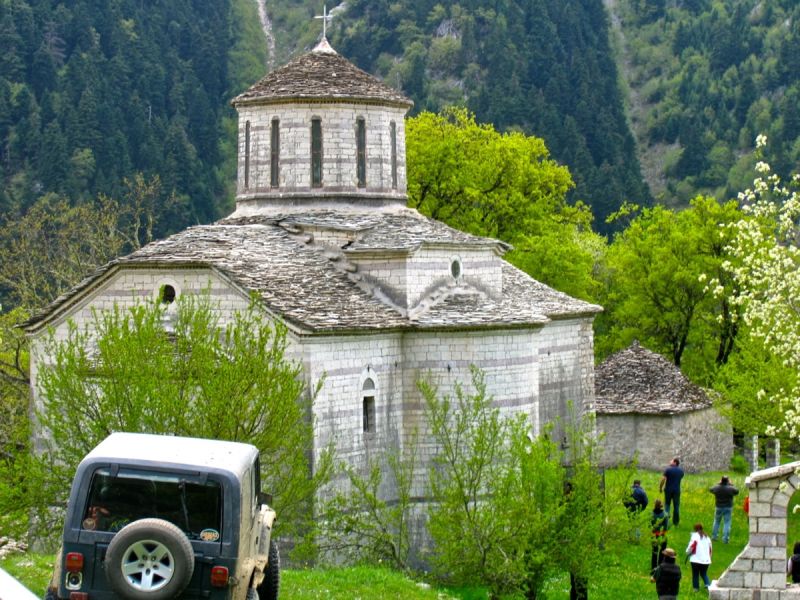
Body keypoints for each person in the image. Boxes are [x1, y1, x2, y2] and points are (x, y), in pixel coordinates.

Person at [710, 475, 739, 543]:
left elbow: (711, 489)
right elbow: (737, 491)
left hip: (718, 507)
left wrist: (718, 484)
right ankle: (725, 539)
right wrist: (731, 484)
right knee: (727, 523)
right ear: (727, 481)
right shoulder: (730, 488)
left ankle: (714, 537)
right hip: (728, 507)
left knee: (716, 522)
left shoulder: (717, 488)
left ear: (721, 480)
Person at [686, 523, 712, 591]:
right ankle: (708, 584)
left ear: (695, 529)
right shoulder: (707, 537)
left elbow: (691, 546)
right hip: (706, 560)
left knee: (695, 574)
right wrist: (709, 558)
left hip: (695, 559)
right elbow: (710, 549)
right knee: (704, 573)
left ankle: (696, 589)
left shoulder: (695, 536)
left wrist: (687, 552)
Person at [659, 457, 685, 526]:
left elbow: (663, 479)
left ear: (675, 462)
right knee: (676, 507)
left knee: (667, 506)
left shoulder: (668, 470)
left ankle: (666, 522)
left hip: (668, 490)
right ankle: (676, 522)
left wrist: (660, 487)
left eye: (671, 461)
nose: (670, 462)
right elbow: (680, 477)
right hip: (677, 491)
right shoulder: (681, 471)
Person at [650, 498, 670, 574]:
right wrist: (662, 533)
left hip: (654, 534)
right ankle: (660, 567)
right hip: (662, 535)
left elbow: (650, 525)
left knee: (654, 552)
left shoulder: (651, 514)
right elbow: (666, 527)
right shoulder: (665, 514)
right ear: (661, 505)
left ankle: (653, 568)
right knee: (662, 552)